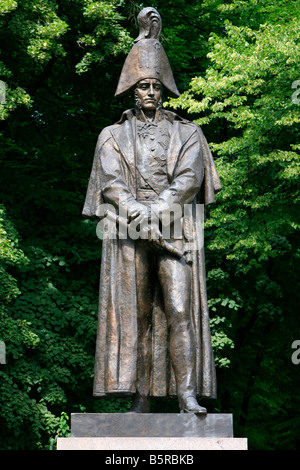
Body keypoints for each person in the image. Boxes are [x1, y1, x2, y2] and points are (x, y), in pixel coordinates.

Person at [82, 7, 222, 414]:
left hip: (175, 228)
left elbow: (188, 180)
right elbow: (111, 184)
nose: (150, 92)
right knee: (136, 315)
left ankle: (187, 395)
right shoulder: (111, 135)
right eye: (142, 85)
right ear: (132, 90)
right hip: (128, 231)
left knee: (179, 310)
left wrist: (154, 213)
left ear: (163, 89)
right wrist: (137, 216)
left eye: (155, 85)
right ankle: (141, 399)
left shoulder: (189, 133)